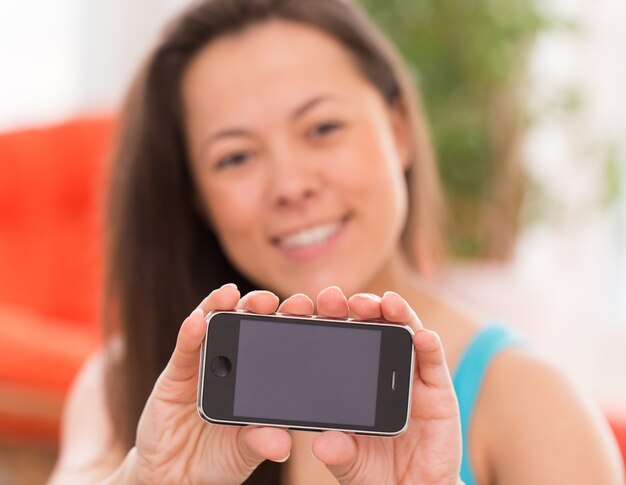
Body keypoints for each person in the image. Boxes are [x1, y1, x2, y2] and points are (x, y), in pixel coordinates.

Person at [49, 0, 624, 484]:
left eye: (323, 128)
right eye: (235, 157)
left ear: (397, 131)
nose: (291, 185)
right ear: (198, 198)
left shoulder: (530, 404)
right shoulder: (122, 384)